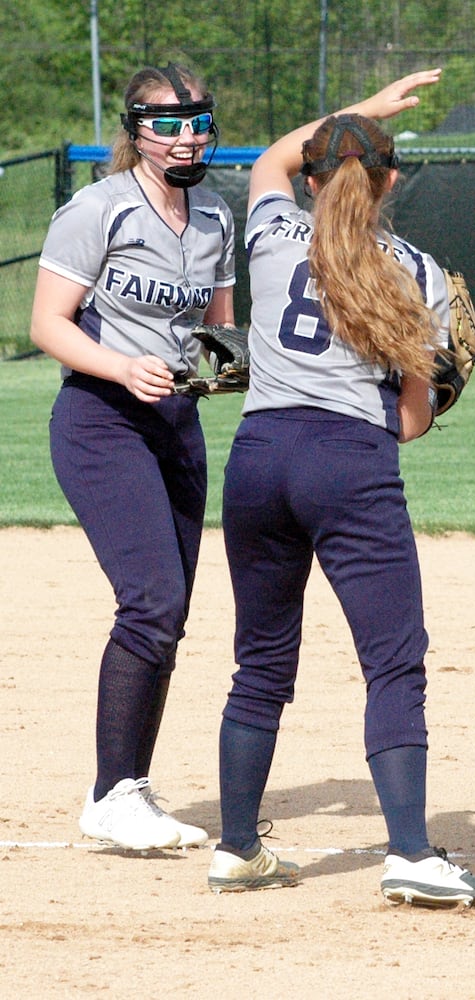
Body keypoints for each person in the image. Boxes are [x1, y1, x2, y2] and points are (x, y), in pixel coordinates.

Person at [206, 70, 475, 911]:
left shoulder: (269, 233)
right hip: (349, 465)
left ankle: (236, 847)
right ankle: (410, 852)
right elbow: (409, 424)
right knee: (393, 663)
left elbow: (268, 159)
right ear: (390, 181)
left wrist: (355, 114)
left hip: (259, 458)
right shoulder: (413, 267)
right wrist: (441, 389)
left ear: (309, 180)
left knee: (260, 661)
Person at [30, 63, 234, 851]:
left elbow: (218, 327)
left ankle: (128, 788)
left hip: (176, 425)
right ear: (135, 129)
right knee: (150, 599)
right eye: (166, 123)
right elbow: (49, 323)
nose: (185, 136)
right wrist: (119, 365)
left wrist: (238, 364)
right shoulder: (99, 209)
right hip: (101, 420)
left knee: (171, 610)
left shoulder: (214, 215)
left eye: (197, 120)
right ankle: (112, 793)